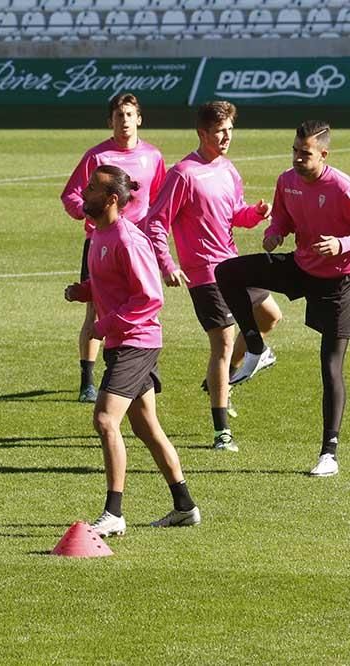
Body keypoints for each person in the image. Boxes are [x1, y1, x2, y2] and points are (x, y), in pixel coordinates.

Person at [64, 165, 200, 537]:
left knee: (106, 420)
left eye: (91, 189)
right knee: (146, 427)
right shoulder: (98, 236)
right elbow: (114, 284)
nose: (83, 193)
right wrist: (85, 292)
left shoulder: (128, 238)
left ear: (110, 200)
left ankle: (114, 512)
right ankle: (184, 506)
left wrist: (103, 325)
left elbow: (149, 298)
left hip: (135, 343)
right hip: (123, 342)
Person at [143, 100, 282, 453]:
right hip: (204, 273)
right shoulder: (183, 174)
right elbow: (156, 222)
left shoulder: (228, 168)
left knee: (270, 316)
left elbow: (234, 212)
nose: (226, 137)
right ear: (202, 133)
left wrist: (255, 213)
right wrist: (167, 264)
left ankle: (222, 379)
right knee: (222, 342)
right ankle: (222, 432)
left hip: (232, 265)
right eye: (219, 131)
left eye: (230, 130)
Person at [216, 120, 350, 477]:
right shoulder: (286, 181)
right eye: (294, 150)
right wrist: (274, 233)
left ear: (323, 154)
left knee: (330, 364)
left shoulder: (341, 187)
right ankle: (256, 348)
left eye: (304, 153)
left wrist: (341, 244)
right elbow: (284, 220)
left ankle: (329, 454)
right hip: (301, 266)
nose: (296, 158)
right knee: (228, 272)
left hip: (338, 281)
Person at [61, 93, 166, 404]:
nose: (124, 121)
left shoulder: (153, 156)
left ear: (139, 119)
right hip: (101, 242)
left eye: (129, 115)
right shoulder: (96, 157)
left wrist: (157, 235)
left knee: (139, 304)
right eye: (119, 115)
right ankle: (87, 379)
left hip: (135, 247)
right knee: (95, 308)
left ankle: (140, 372)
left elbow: (159, 199)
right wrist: (87, 212)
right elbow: (71, 195)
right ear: (110, 121)